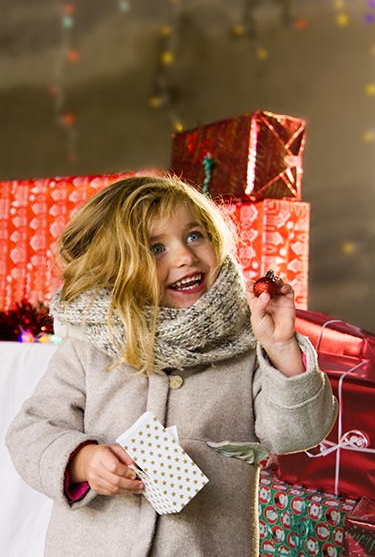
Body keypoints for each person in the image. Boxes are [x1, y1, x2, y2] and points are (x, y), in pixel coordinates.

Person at [6, 175, 337, 557]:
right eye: (156, 247)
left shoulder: (247, 343)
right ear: (115, 268)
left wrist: (281, 348)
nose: (185, 256)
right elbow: (31, 431)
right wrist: (81, 460)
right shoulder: (90, 348)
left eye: (195, 236)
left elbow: (297, 434)